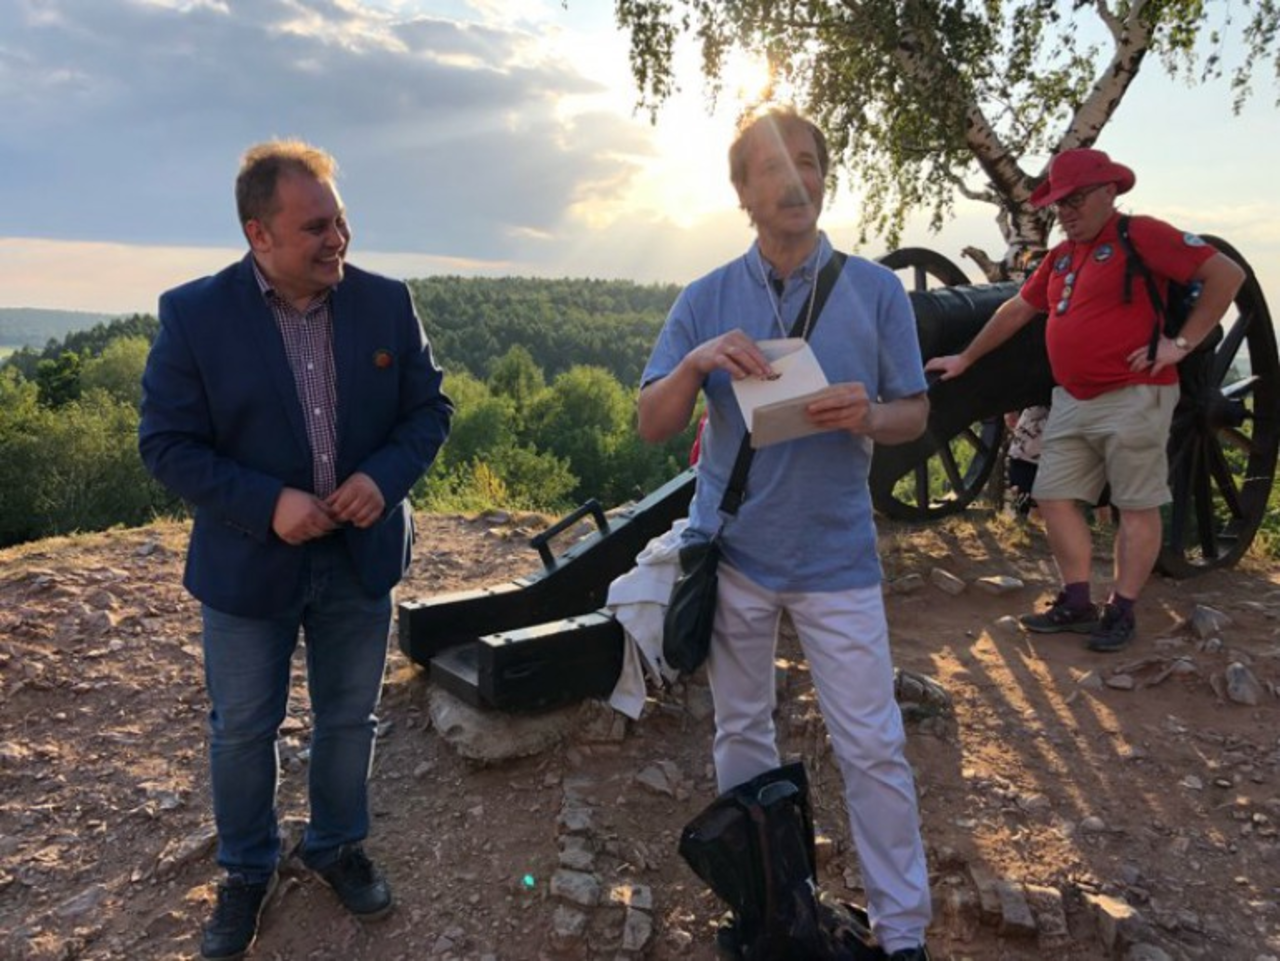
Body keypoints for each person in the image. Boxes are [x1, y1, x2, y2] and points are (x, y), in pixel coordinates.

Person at [139, 140, 452, 961]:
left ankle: (336, 843)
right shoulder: (195, 316)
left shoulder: (386, 303)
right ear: (259, 234)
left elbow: (430, 411)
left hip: (360, 558)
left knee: (349, 718)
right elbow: (166, 444)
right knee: (244, 728)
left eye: (340, 220)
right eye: (315, 226)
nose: (336, 238)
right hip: (249, 563)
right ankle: (247, 868)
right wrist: (266, 503)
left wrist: (381, 479)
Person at [637, 104, 933, 961]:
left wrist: (868, 414)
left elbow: (915, 412)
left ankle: (903, 933)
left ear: (824, 179)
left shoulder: (875, 291)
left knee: (872, 744)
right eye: (772, 167)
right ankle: (767, 905)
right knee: (741, 730)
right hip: (736, 553)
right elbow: (651, 422)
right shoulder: (706, 298)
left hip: (838, 555)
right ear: (743, 192)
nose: (795, 180)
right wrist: (698, 363)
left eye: (807, 162)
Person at [926, 147, 1244, 653]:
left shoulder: (1142, 235)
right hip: (1073, 397)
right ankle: (1077, 601)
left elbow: (1226, 275)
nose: (1066, 212)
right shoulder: (1062, 256)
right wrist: (966, 358)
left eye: (1075, 200)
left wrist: (1180, 344)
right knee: (1054, 498)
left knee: (1134, 506)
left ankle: (1121, 609)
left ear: (1108, 192)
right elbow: (1017, 310)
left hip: (1134, 394)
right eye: (1059, 203)